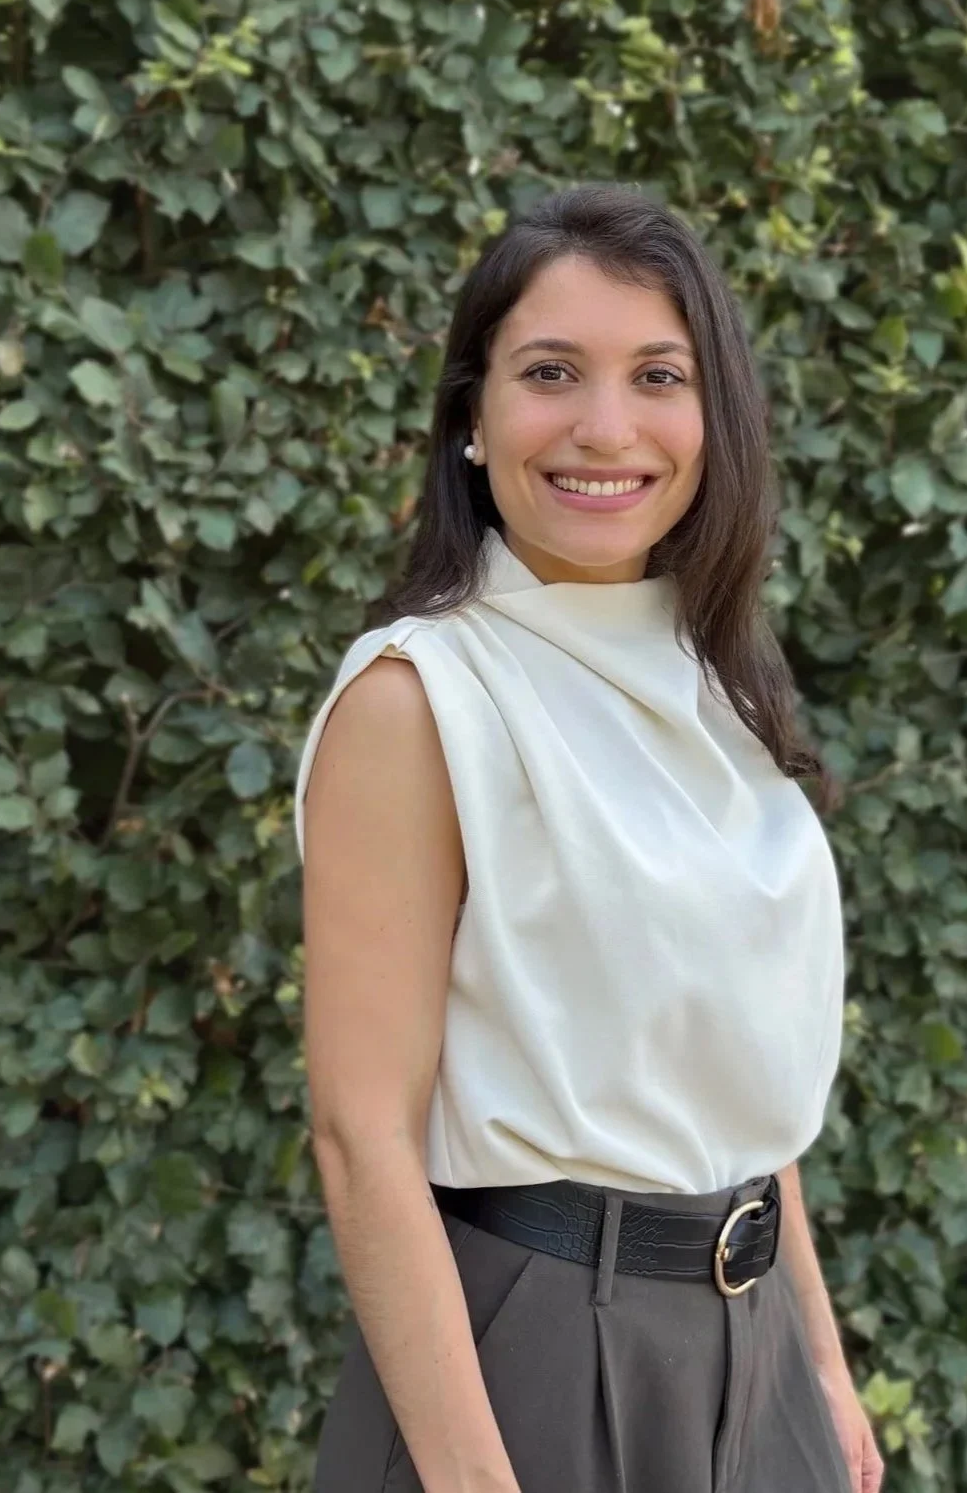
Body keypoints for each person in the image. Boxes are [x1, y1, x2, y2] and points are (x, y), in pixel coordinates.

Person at [293, 184, 884, 1493]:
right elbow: (361, 1134)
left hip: (759, 1351)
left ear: (710, 417)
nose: (605, 427)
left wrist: (822, 1366)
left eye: (657, 375)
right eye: (551, 372)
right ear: (471, 419)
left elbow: (722, 1069)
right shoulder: (422, 698)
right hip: (537, 1365)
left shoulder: (718, 689)